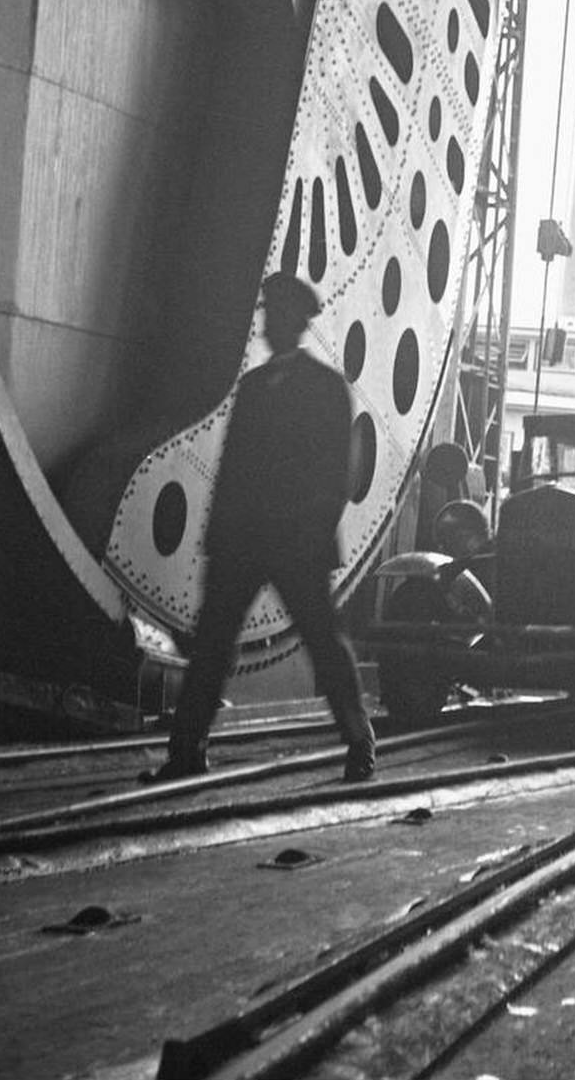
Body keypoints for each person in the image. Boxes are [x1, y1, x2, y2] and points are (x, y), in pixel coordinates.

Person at [144, 271, 376, 783]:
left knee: (320, 641)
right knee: (216, 644)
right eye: (268, 314)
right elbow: (232, 471)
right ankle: (186, 750)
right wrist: (220, 541)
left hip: (294, 542)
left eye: (276, 315)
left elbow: (334, 474)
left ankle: (359, 740)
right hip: (247, 541)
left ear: (295, 323)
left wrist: (310, 534)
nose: (268, 324)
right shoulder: (258, 388)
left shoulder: (323, 389)